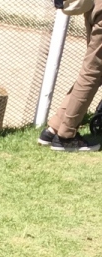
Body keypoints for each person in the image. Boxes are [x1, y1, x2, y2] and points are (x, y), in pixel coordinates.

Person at [40, 0, 102, 151]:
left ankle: (54, 128)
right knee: (92, 73)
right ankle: (66, 137)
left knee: (93, 73)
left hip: (95, 8)